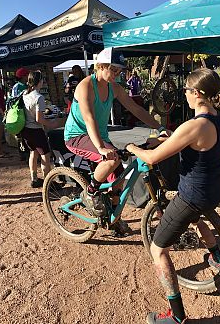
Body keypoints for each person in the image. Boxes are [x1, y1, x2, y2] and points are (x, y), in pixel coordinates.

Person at [124, 68, 220, 323]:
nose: (183, 93)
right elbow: (196, 144)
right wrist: (172, 138)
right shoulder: (218, 118)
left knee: (158, 249)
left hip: (192, 195)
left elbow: (150, 158)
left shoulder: (195, 125)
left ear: (196, 93)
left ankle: (177, 316)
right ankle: (216, 256)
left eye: (185, 90)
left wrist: (131, 147)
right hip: (212, 190)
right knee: (195, 218)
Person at [63, 47, 171, 237]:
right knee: (112, 161)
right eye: (113, 70)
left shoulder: (115, 87)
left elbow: (136, 110)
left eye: (119, 70)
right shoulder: (85, 86)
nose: (117, 74)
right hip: (77, 136)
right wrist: (101, 148)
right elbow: (89, 120)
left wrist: (159, 128)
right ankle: (89, 192)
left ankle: (113, 220)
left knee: (119, 180)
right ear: (100, 66)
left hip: (99, 135)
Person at [21, 71, 66, 188]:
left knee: (33, 153)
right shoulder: (39, 97)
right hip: (36, 130)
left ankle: (34, 179)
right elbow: (39, 118)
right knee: (45, 156)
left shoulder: (24, 94)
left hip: (26, 130)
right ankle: (48, 183)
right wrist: (51, 124)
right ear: (40, 81)